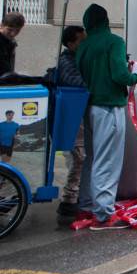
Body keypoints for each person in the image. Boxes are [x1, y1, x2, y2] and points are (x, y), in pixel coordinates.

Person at [76, 4, 137, 230]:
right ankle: (104, 213)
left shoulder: (84, 45)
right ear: (106, 20)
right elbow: (119, 75)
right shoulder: (114, 42)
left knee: (92, 157)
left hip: (89, 107)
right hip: (110, 106)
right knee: (108, 160)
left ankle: (87, 203)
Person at [53, 25, 87, 225]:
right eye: (82, 41)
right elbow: (77, 82)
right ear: (71, 43)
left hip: (76, 116)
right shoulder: (67, 61)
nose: (85, 44)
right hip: (71, 118)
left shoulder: (75, 59)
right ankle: (68, 202)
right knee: (78, 157)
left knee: (79, 157)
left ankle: (72, 198)